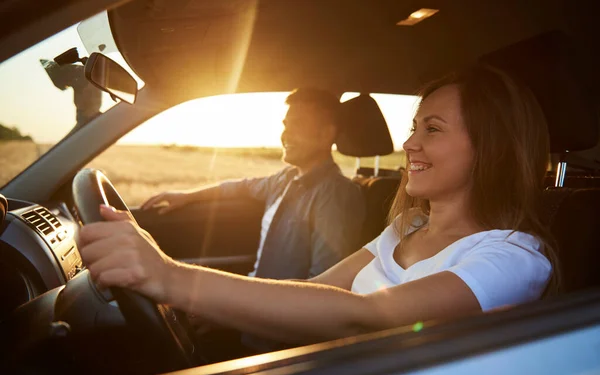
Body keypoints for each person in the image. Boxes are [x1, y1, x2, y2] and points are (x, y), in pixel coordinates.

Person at [80, 64, 557, 348]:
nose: (409, 143)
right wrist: (209, 303)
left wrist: (171, 277)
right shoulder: (408, 226)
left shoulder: (512, 259)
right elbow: (318, 288)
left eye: (431, 129)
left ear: (489, 148)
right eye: (414, 126)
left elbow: (364, 314)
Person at [140, 88, 366, 280]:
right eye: (286, 124)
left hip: (283, 326)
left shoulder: (337, 196)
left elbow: (323, 287)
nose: (285, 134)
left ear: (326, 134)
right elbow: (241, 187)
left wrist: (232, 310)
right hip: (259, 310)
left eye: (298, 125)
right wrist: (188, 196)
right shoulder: (284, 179)